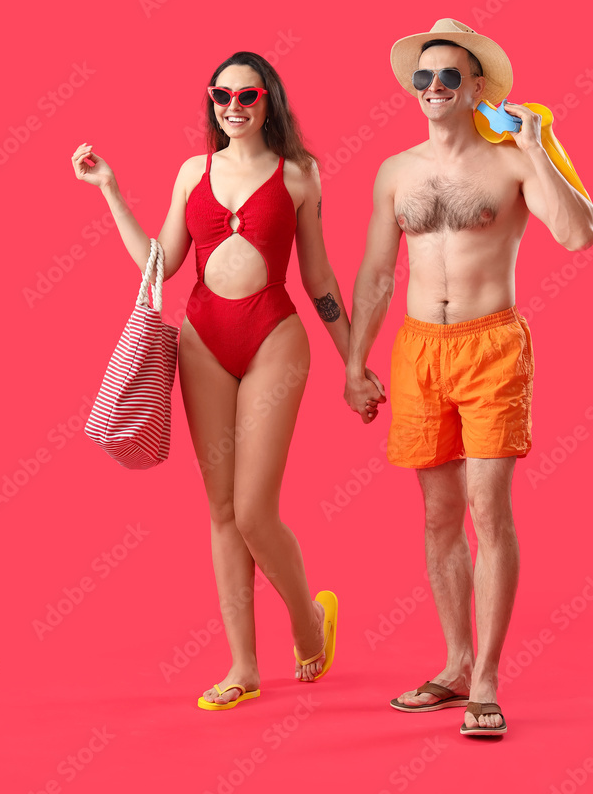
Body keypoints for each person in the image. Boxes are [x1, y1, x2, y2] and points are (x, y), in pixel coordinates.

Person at [72, 51, 383, 709]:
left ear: (269, 100)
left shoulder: (300, 174)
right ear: (211, 102)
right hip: (201, 341)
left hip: (274, 335)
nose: (233, 107)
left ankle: (307, 621)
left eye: (247, 96)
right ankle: (242, 667)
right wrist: (110, 191)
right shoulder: (193, 172)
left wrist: (353, 364)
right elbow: (159, 264)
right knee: (219, 512)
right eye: (222, 96)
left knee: (252, 509)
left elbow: (319, 279)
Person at [344, 19, 593, 736]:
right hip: (418, 350)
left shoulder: (513, 162)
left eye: (446, 77)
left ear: (474, 86)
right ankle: (454, 664)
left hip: (490, 349)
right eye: (421, 78)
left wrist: (535, 145)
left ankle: (486, 675)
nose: (430, 89)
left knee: (487, 511)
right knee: (437, 516)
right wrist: (354, 361)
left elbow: (579, 234)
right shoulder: (395, 170)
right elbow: (375, 273)